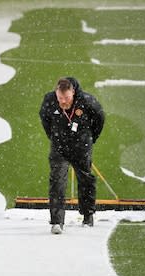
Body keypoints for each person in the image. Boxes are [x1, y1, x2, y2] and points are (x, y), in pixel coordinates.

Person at [39, 77, 105, 234]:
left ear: (73, 92)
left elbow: (100, 118)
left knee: (85, 179)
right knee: (57, 181)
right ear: (56, 93)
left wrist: (90, 137)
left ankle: (88, 215)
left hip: (81, 146)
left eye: (66, 98)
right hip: (59, 147)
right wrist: (54, 137)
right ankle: (57, 221)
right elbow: (45, 119)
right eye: (60, 98)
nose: (63, 102)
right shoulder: (49, 100)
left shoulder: (87, 101)